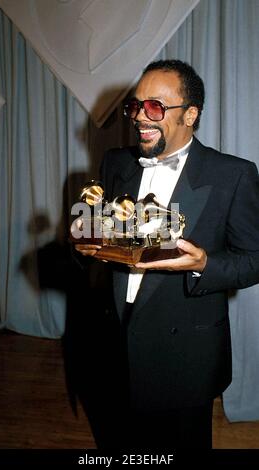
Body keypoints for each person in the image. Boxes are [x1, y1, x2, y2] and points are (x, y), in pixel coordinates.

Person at [74, 59, 259, 449]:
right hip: (114, 348)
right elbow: (99, 238)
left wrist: (205, 264)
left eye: (155, 107)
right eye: (136, 106)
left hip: (183, 357)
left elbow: (253, 260)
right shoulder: (116, 163)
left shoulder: (234, 174)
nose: (140, 116)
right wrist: (84, 243)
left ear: (190, 114)